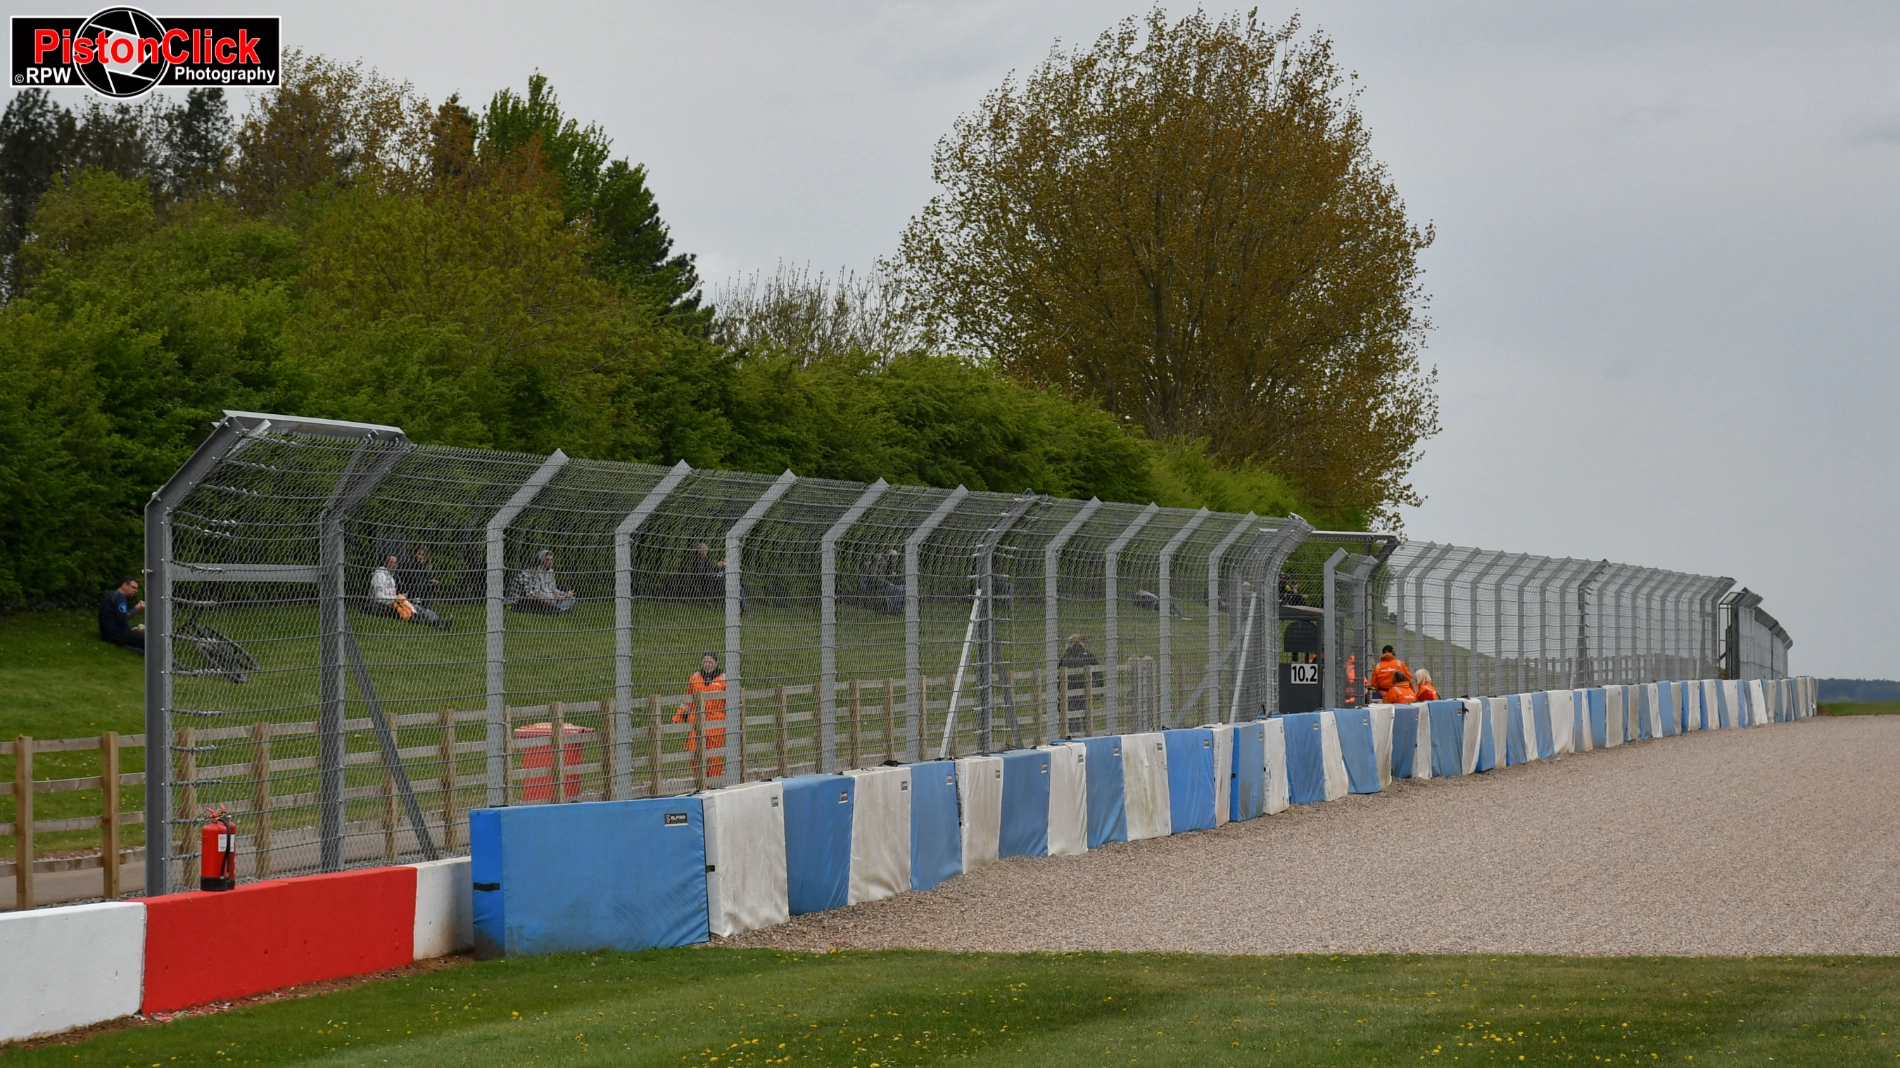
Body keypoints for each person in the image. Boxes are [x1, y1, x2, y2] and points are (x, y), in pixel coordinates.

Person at [672, 653, 728, 777]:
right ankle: (700, 781)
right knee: (694, 751)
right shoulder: (695, 677)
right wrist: (679, 716)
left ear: (716, 663)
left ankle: (713, 784)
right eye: (705, 662)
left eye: (710, 662)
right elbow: (688, 700)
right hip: (697, 719)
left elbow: (730, 703)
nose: (707, 665)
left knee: (714, 756)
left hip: (715, 722)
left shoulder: (724, 679)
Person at [371, 554, 447, 628]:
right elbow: (379, 597)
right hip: (386, 605)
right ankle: (435, 622)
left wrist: (400, 597)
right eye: (391, 562)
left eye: (395, 562)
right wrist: (396, 599)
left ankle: (438, 620)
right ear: (385, 563)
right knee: (414, 610)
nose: (393, 565)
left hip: (396, 601)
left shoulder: (391, 576)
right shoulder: (379, 576)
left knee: (418, 607)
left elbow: (391, 593)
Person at [1059, 634, 1098, 733]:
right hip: (1086, 693)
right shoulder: (1089, 657)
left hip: (1070, 694)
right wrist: (1098, 691)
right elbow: (1097, 674)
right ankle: (1088, 734)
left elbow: (1059, 679)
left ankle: (1074, 736)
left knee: (1072, 720)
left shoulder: (1065, 658)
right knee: (1088, 716)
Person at [99, 577, 145, 654]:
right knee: (147, 638)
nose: (136, 591)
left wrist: (130, 628)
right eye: (133, 587)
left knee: (138, 630)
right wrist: (137, 609)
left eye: (137, 589)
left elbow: (118, 619)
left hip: (109, 633)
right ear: (124, 585)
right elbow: (123, 617)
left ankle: (132, 648)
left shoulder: (115, 595)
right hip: (116, 634)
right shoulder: (119, 598)